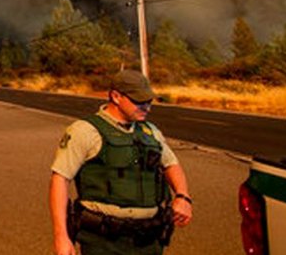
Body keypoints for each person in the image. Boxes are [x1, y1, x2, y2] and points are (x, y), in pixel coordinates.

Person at [49, 70, 193, 255]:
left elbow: (171, 164)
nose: (146, 107)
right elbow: (60, 179)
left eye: (148, 101)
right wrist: (61, 236)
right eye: (139, 102)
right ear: (116, 96)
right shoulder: (85, 131)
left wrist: (183, 196)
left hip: (149, 239)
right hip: (104, 241)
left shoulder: (150, 132)